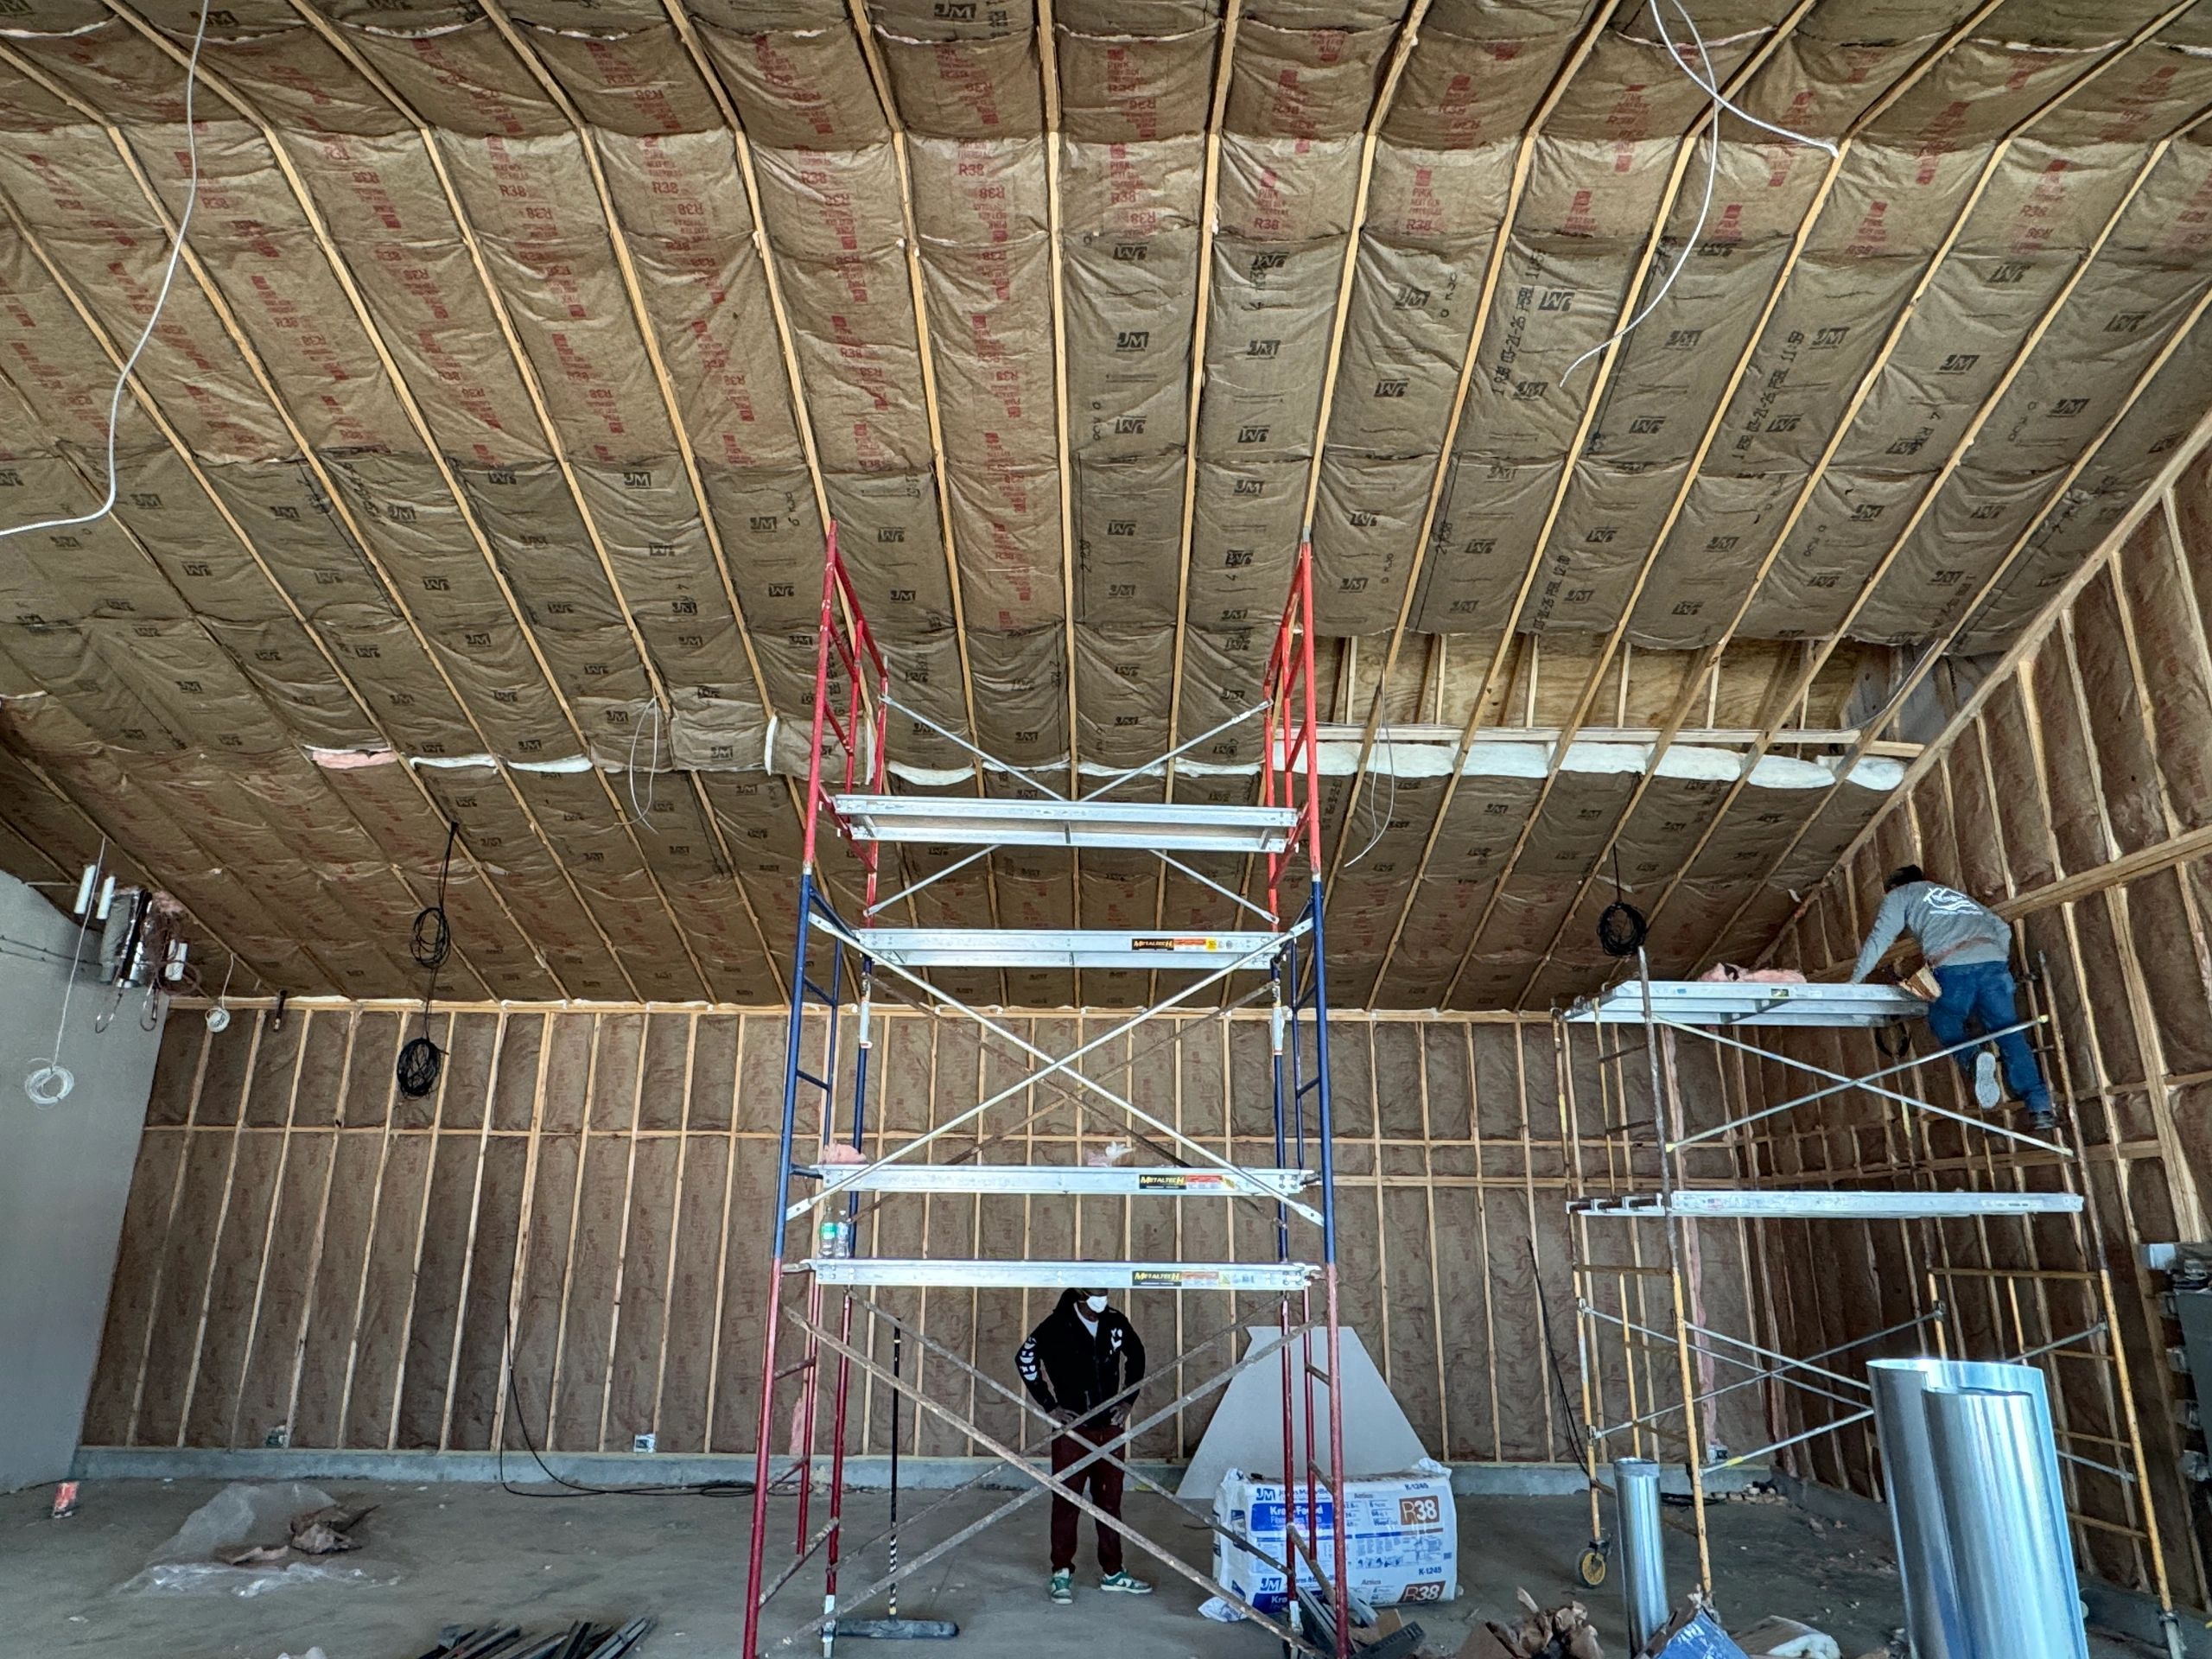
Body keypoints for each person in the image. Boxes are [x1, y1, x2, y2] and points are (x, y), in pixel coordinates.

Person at [1850, 865, 2055, 1131]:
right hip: (1994, 966)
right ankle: (2040, 1108)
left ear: (1894, 887)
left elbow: (1881, 937)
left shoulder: (1900, 895)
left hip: (1954, 967)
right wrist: (1995, 958)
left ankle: (1972, 1058)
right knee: (2009, 1033)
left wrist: (1854, 982)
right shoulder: (1957, 896)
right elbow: (2001, 928)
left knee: (1943, 1020)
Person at [1017, 1286, 1152, 1604]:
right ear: (1079, 1298)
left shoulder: (1115, 1321)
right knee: (1066, 1501)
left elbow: (1137, 1356)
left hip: (1109, 1427)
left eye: (1105, 1294)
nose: (1102, 1301)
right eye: (1095, 1295)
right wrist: (1050, 1406)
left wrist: (1128, 1400)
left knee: (1110, 1502)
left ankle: (1113, 1572)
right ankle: (1061, 1572)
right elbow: (1024, 1358)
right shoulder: (1055, 1326)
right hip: (1073, 1430)